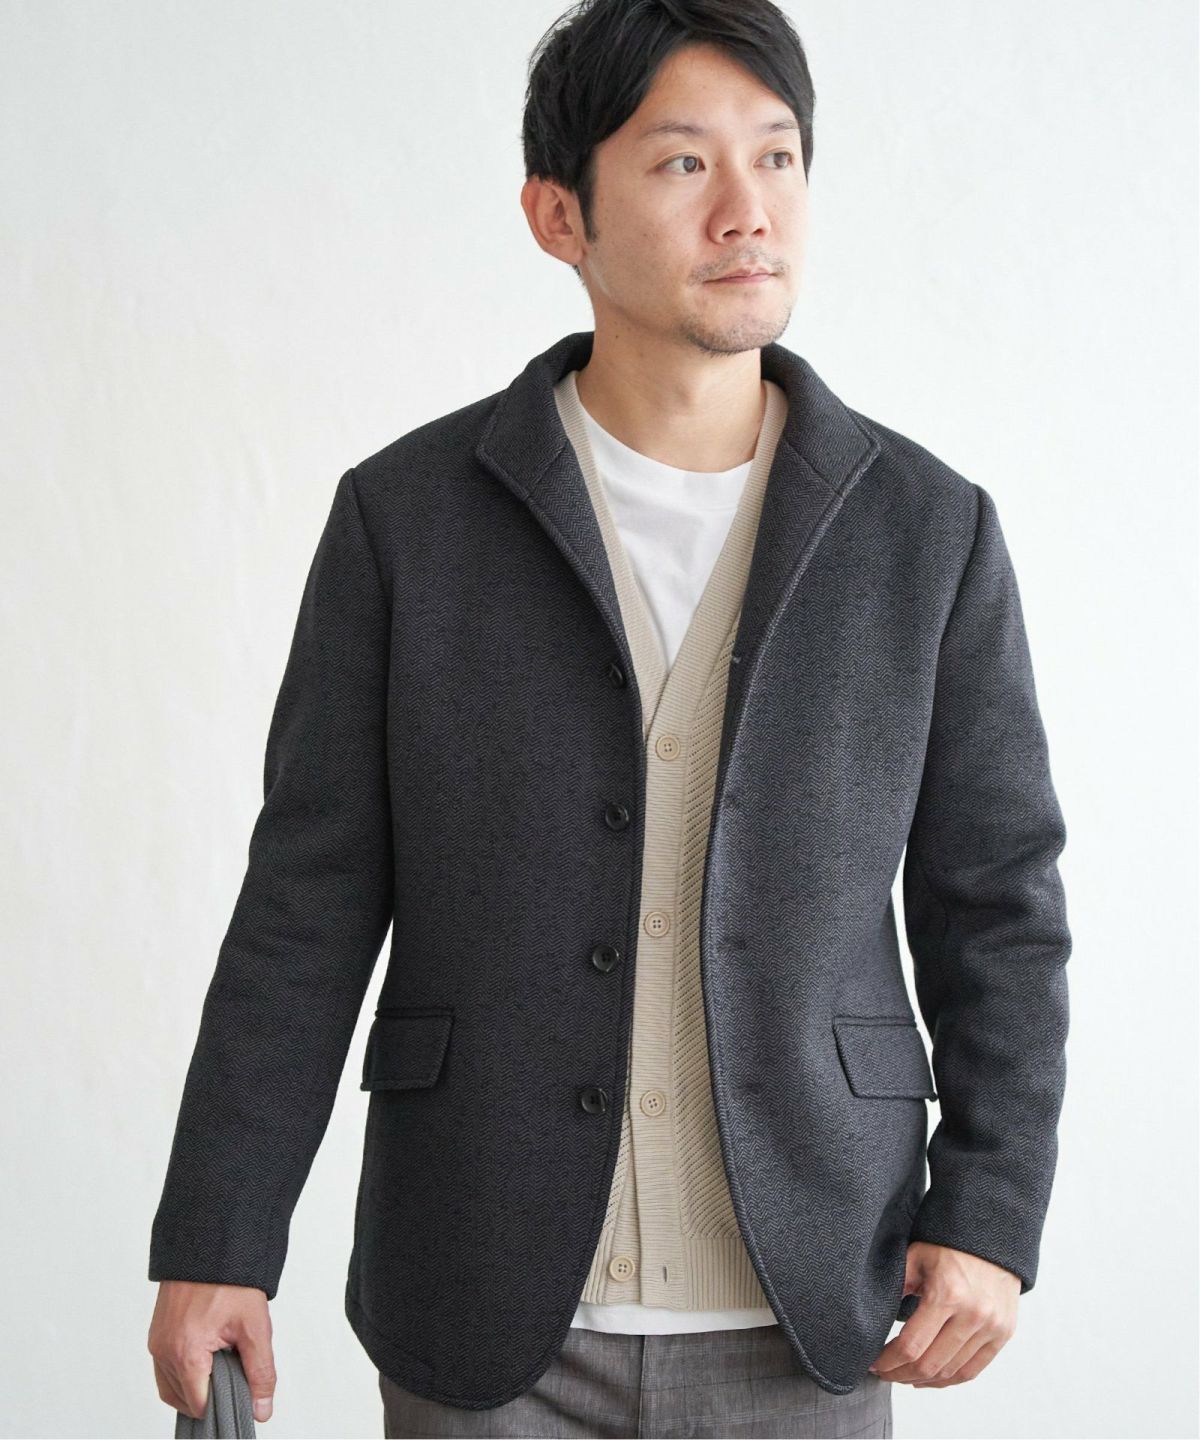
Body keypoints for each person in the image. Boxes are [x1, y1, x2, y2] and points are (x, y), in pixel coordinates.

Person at [147, 2, 1072, 1436]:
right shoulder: (407, 520)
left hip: (813, 1300)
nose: (748, 209)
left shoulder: (926, 533)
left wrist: (994, 1209)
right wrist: (220, 1233)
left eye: (778, 156)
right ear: (557, 215)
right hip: (484, 1297)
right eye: (684, 163)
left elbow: (999, 907)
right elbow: (305, 904)